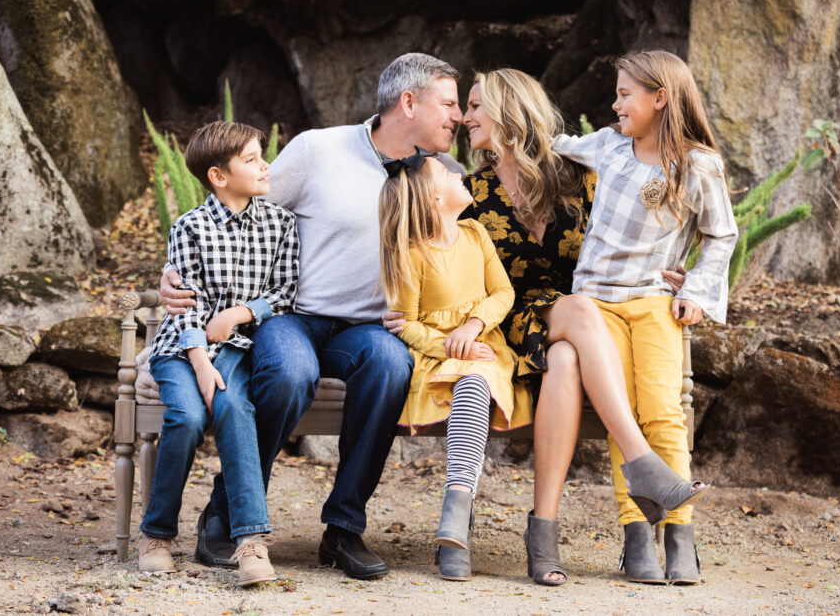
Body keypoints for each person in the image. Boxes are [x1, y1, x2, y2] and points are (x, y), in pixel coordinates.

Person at [385, 68, 707, 586]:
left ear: (508, 110)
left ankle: (543, 530)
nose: (464, 117)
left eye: (474, 105)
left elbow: (646, 231)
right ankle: (642, 462)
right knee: (577, 313)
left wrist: (683, 272)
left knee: (566, 354)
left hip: (583, 327)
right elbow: (418, 250)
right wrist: (403, 309)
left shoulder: (582, 176)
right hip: (506, 322)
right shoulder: (469, 193)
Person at [158, 53, 466, 580]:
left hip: (369, 327)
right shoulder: (318, 149)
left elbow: (471, 252)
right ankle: (229, 509)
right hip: (292, 316)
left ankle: (343, 529)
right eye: (450, 103)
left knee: (392, 365)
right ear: (408, 102)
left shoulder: (440, 175)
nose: (458, 115)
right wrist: (173, 275)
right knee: (290, 373)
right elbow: (236, 211)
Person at [553, 50, 739, 585]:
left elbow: (721, 233)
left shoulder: (697, 165)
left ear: (660, 98)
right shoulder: (610, 147)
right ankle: (637, 537)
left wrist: (698, 290)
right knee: (624, 414)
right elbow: (556, 144)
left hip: (655, 299)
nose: (615, 104)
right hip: (595, 305)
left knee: (663, 410)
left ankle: (680, 533)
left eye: (624, 94)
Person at [140, 121, 298, 587]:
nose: (265, 165)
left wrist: (241, 312)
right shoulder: (189, 227)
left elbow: (286, 291)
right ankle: (156, 534)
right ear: (218, 176)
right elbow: (184, 303)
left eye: (260, 155)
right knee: (186, 418)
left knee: (234, 408)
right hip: (181, 350)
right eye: (251, 159)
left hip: (239, 348)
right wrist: (200, 361)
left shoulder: (280, 223)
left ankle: (250, 542)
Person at [378, 152, 531, 581]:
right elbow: (405, 324)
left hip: (486, 348)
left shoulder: (475, 233)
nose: (459, 171)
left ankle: (455, 511)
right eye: (446, 172)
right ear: (432, 199)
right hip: (439, 357)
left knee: (477, 379)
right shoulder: (411, 254)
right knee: (470, 379)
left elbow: (504, 292)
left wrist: (475, 325)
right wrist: (451, 346)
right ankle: (458, 515)